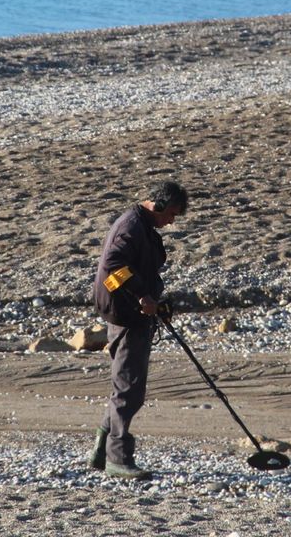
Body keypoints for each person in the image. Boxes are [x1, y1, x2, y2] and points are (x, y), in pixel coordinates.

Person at [88, 180, 189, 479]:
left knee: (125, 385)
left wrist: (154, 301)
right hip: (126, 314)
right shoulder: (130, 226)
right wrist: (141, 297)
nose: (171, 221)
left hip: (131, 312)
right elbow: (112, 266)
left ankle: (100, 450)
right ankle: (117, 458)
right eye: (171, 213)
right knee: (129, 388)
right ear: (157, 205)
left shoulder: (141, 225)